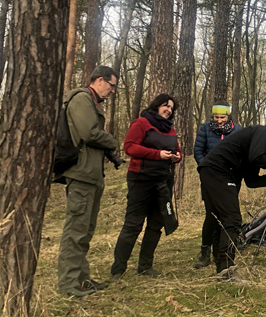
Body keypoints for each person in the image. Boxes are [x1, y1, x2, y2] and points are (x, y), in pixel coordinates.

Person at [198, 125, 266, 280]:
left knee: (219, 219)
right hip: (218, 170)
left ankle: (220, 262)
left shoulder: (255, 152)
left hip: (214, 172)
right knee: (232, 219)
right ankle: (226, 267)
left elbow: (252, 181)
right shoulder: (265, 132)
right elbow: (257, 157)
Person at [57, 65, 119, 297]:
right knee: (76, 230)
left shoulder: (91, 101)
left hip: (90, 174)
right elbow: (89, 133)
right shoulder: (82, 99)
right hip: (81, 174)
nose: (112, 91)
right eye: (111, 85)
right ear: (100, 80)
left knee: (85, 230)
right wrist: (112, 141)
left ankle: (82, 279)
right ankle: (69, 283)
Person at [110, 94, 182, 282]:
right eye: (165, 106)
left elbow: (178, 151)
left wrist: (176, 157)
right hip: (140, 181)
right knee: (133, 224)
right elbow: (129, 147)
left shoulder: (171, 129)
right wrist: (157, 154)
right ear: (156, 106)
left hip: (163, 182)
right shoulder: (141, 123)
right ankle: (118, 269)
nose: (169, 109)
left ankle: (145, 266)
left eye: (171, 108)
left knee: (156, 225)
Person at [193, 105, 242, 269]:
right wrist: (206, 167)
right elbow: (198, 151)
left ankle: (222, 252)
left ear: (228, 117)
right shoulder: (205, 129)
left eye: (222, 117)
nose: (219, 121)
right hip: (210, 179)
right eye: (216, 117)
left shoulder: (237, 130)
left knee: (227, 216)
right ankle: (205, 253)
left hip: (231, 179)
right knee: (211, 215)